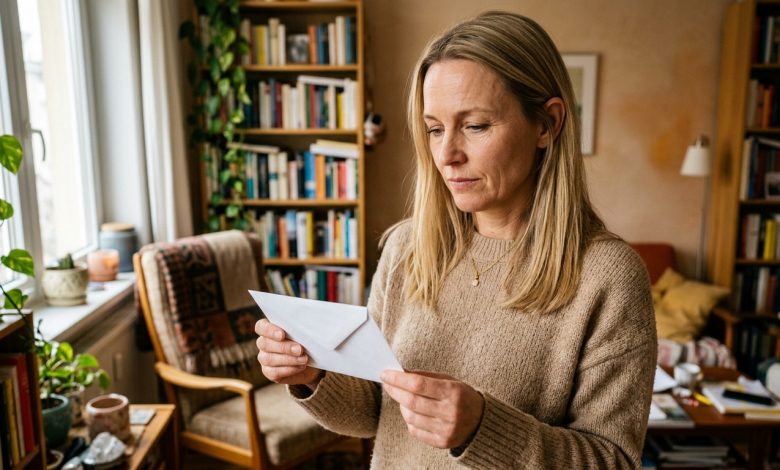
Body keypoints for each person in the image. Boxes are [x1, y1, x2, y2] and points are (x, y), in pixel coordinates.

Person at [255, 11, 655, 469]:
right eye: (434, 128)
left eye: (476, 125)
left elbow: (613, 461)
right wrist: (314, 375)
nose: (447, 155)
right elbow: (373, 410)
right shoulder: (406, 247)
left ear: (546, 124)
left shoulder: (608, 277)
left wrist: (484, 430)